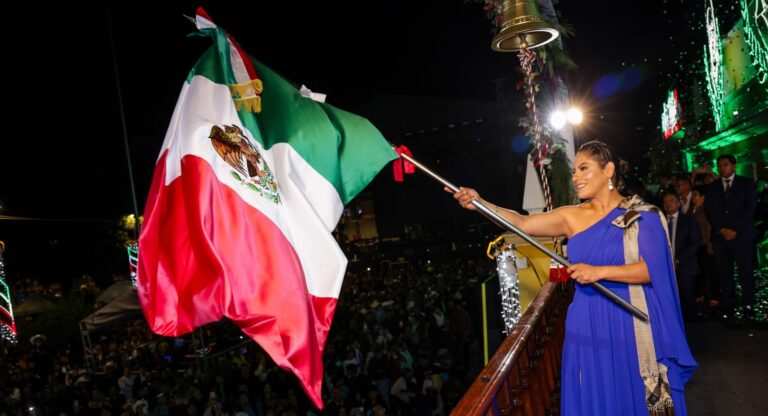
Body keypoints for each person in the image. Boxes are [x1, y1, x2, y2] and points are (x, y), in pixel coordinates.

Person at [448, 140, 696, 415]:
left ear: (608, 169)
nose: (575, 177)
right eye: (574, 171)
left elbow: (653, 270)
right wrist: (480, 203)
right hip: (586, 323)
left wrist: (599, 272)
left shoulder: (642, 216)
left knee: (632, 396)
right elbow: (521, 223)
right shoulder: (571, 217)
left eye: (583, 168)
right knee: (597, 397)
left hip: (630, 322)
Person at [704, 154, 758, 328]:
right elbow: (710, 211)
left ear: (733, 166)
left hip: (741, 236)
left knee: (745, 273)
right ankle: (729, 304)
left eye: (725, 165)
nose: (722, 169)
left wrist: (735, 230)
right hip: (721, 238)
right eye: (719, 166)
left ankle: (749, 306)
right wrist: (721, 229)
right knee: (725, 274)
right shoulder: (712, 188)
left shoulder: (747, 183)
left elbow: (750, 209)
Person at [662, 192, 701, 321]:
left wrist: (678, 259)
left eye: (671, 200)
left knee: (687, 295)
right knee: (668, 296)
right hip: (665, 265)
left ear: (678, 204)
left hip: (685, 264)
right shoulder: (659, 223)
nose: (668, 203)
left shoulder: (689, 221)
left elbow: (695, 243)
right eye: (666, 201)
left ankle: (691, 325)